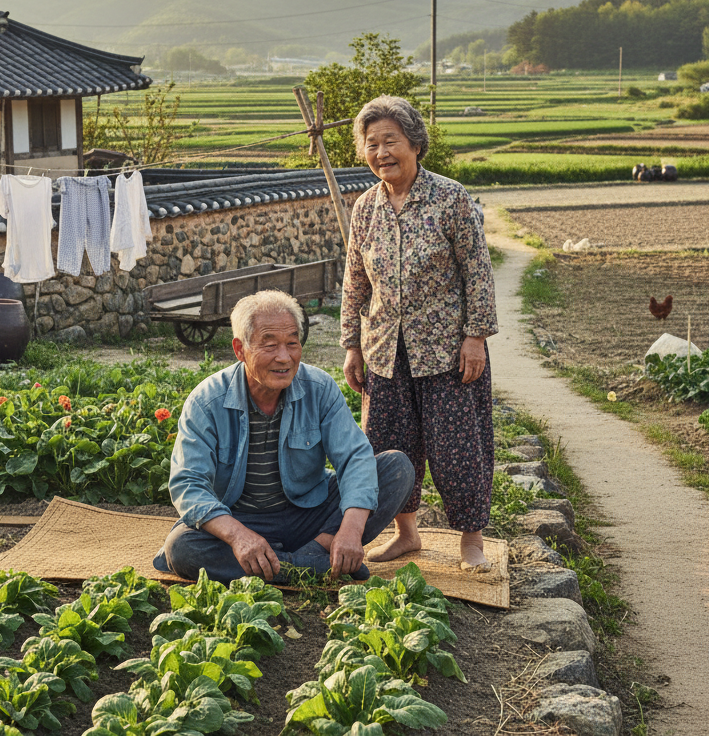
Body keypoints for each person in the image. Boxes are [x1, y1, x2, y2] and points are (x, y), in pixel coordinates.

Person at [154, 289, 415, 584]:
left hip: (309, 515)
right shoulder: (207, 401)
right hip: (241, 518)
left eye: (292, 343)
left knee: (396, 469)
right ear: (240, 349)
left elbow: (355, 457)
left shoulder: (319, 388)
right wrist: (239, 537)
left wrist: (350, 532)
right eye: (269, 345)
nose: (284, 357)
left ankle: (310, 553)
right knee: (182, 548)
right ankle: (313, 566)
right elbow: (188, 484)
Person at [341, 95, 499, 572]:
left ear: (414, 143)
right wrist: (351, 344)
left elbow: (478, 272)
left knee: (458, 448)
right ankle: (406, 535)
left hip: (447, 350)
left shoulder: (450, 198)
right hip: (385, 349)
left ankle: (470, 540)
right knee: (390, 445)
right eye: (372, 144)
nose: (381, 152)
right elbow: (354, 280)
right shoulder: (366, 208)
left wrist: (476, 337)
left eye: (391, 141)